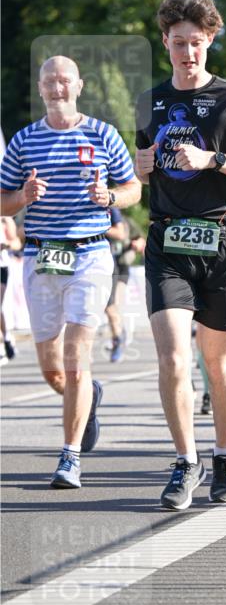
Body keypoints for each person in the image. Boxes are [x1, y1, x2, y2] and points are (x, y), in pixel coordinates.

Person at [134, 0, 226, 510]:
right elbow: (138, 170)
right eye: (178, 44)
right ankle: (185, 461)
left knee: (219, 365)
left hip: (222, 239)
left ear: (210, 41)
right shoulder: (148, 101)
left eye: (196, 44)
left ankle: (224, 453)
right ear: (165, 43)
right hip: (168, 241)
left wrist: (213, 158)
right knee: (174, 357)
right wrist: (141, 165)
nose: (187, 53)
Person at [0, 55, 141, 488]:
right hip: (41, 256)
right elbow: (1, 202)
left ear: (78, 86)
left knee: (77, 359)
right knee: (52, 369)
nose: (57, 88)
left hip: (89, 255)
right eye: (49, 82)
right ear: (40, 89)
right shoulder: (23, 141)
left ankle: (70, 457)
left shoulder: (102, 134)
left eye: (65, 81)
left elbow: (134, 189)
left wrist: (109, 197)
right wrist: (22, 197)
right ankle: (89, 399)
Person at [105, 209, 145, 363]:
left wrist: (137, 244)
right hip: (105, 268)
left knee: (113, 305)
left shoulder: (126, 222)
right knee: (110, 307)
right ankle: (119, 336)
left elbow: (141, 239)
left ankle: (118, 338)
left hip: (122, 267)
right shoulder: (95, 222)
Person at [0, 215, 21, 361]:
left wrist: (6, 245)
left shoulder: (4, 218)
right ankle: (6, 338)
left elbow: (17, 243)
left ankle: (5, 340)